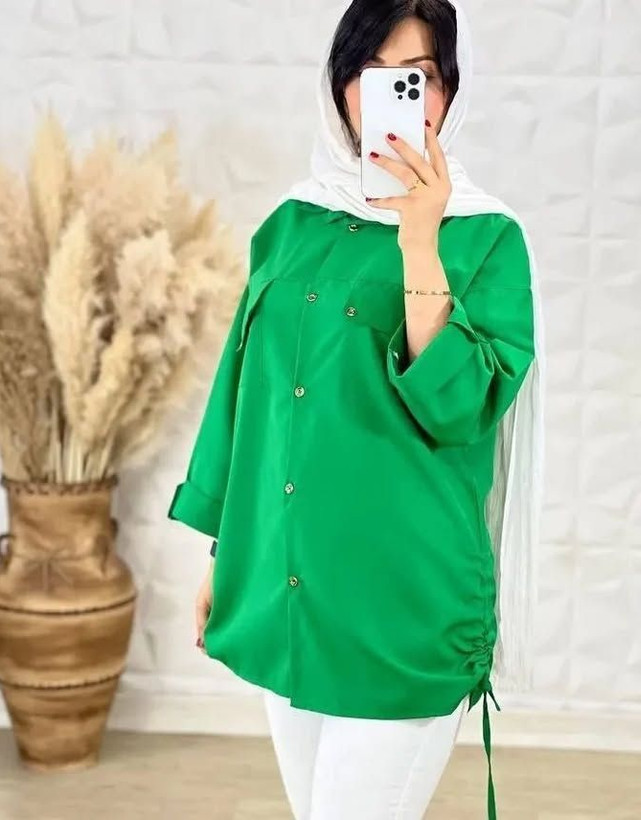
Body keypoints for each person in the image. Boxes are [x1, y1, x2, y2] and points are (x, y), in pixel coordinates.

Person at [168, 0, 546, 817]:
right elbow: (247, 399)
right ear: (337, 85)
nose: (393, 97)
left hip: (401, 607)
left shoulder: (486, 238)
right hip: (287, 591)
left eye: (418, 77)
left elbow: (460, 408)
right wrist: (224, 554)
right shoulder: (292, 222)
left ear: (451, 91)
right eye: (372, 75)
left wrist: (420, 241)